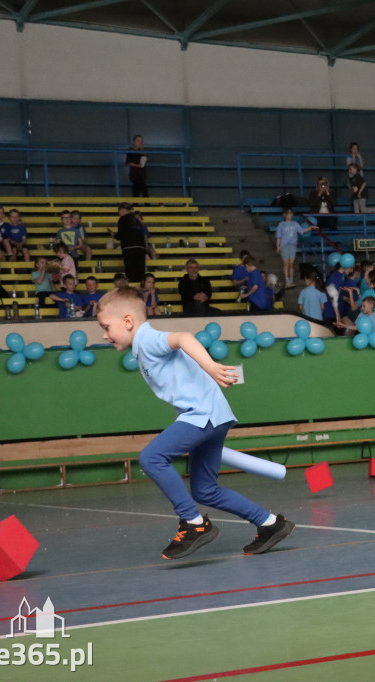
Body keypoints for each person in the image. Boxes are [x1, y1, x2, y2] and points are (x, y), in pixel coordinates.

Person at [95, 287, 294, 559]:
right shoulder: (141, 345)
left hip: (203, 414)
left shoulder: (146, 338)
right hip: (212, 415)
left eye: (106, 327)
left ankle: (194, 524)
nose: (104, 335)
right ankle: (271, 524)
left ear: (128, 321)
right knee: (205, 490)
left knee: (152, 457)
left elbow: (183, 337)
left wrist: (211, 367)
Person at [275, 207, 311, 288]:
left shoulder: (295, 224)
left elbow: (302, 230)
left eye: (291, 213)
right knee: (286, 263)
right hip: (284, 246)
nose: (290, 215)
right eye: (288, 214)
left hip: (292, 245)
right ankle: (287, 280)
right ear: (284, 215)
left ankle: (291, 280)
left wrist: (311, 227)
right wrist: (278, 246)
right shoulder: (281, 224)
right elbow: (278, 237)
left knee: (291, 264)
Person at [113, 202, 147, 285]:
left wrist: (114, 235)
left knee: (131, 272)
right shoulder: (136, 220)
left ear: (122, 210)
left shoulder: (122, 219)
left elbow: (121, 235)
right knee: (140, 271)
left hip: (129, 248)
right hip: (141, 248)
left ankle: (132, 290)